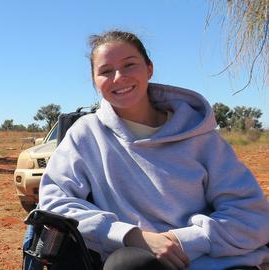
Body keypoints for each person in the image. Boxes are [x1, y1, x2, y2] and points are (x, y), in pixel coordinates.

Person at [36, 30, 269, 270]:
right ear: (95, 81)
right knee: (126, 264)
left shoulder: (201, 137)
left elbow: (252, 215)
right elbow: (55, 202)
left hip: (213, 262)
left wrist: (182, 240)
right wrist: (131, 236)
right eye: (106, 71)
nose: (119, 77)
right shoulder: (87, 134)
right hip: (139, 262)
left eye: (129, 65)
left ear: (149, 68)